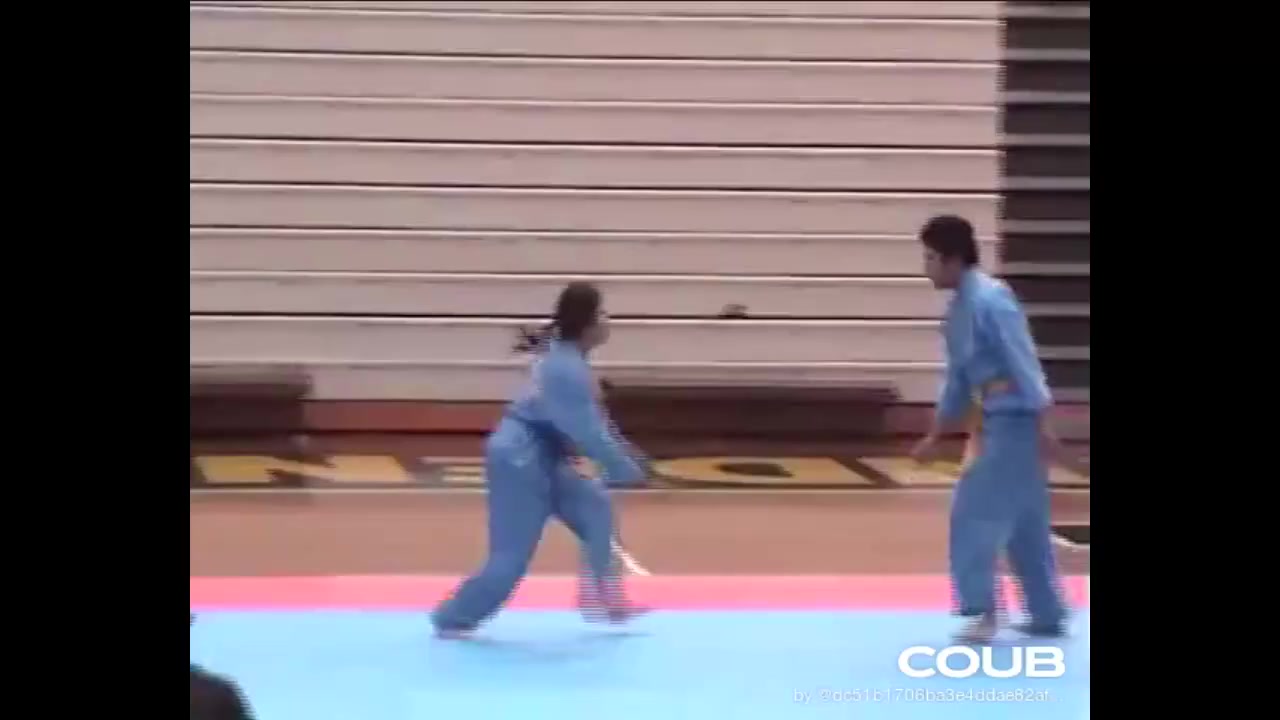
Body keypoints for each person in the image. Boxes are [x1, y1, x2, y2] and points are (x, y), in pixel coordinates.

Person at [431, 281, 649, 637]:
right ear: (587, 323)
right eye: (602, 313)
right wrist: (623, 467)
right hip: (520, 459)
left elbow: (592, 423)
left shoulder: (568, 359)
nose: (608, 320)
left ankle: (605, 599)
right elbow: (586, 431)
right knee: (510, 558)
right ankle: (453, 618)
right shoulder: (565, 368)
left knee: (595, 508)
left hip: (542, 452)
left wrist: (623, 457)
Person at [910, 215, 1069, 643]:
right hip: (998, 422)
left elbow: (1023, 360)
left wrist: (1043, 422)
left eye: (930, 258)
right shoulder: (959, 312)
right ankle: (1046, 612)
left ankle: (983, 611)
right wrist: (937, 434)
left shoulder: (992, 300)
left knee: (974, 515)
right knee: (1024, 522)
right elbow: (958, 382)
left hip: (1016, 423)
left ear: (953, 259)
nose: (925, 268)